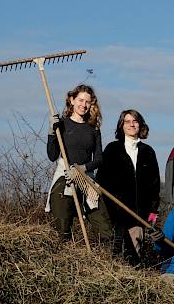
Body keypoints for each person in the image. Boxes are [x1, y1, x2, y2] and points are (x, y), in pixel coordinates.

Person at [45, 84, 112, 242]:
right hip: (65, 178)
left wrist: (82, 168)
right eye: (80, 100)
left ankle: (104, 263)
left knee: (107, 232)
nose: (84, 105)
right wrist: (51, 131)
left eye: (87, 102)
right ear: (72, 100)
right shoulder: (61, 124)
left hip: (86, 179)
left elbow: (99, 159)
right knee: (62, 232)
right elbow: (52, 155)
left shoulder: (93, 128)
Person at [97, 109, 160, 264]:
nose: (131, 124)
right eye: (127, 121)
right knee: (115, 257)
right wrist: (111, 207)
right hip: (116, 216)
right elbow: (101, 180)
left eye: (135, 121)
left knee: (134, 259)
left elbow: (154, 185)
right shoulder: (112, 149)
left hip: (139, 216)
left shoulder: (148, 152)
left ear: (140, 125)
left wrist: (153, 213)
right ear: (121, 126)